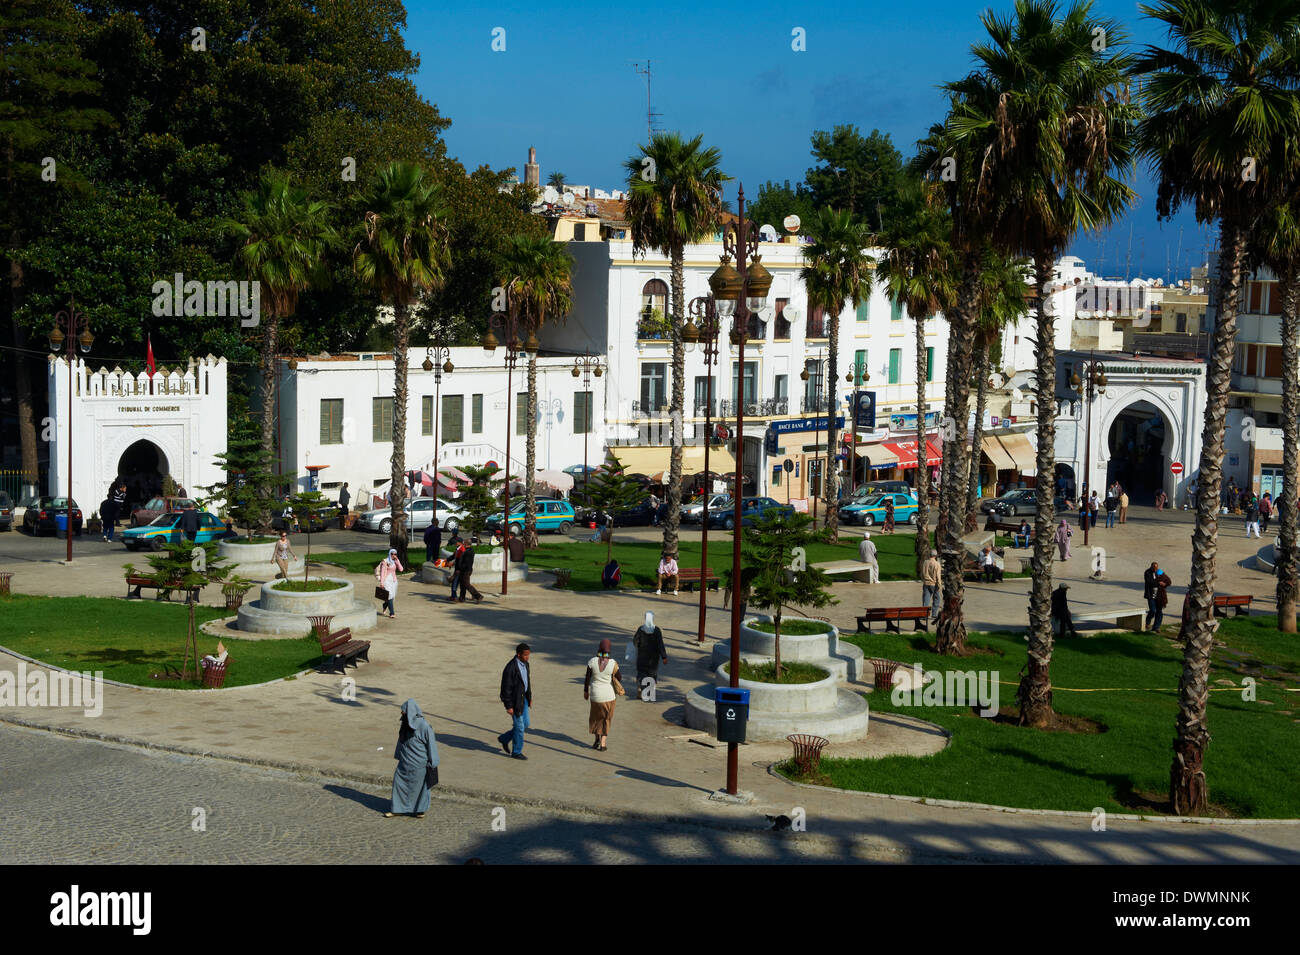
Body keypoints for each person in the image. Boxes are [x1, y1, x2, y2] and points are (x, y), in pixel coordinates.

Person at [385, 699, 439, 818]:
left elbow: (431, 746)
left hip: (419, 765)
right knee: (399, 784)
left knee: (420, 789)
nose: (402, 714)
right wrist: (398, 756)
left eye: (403, 712)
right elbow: (401, 742)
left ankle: (420, 810)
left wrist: (433, 762)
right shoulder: (405, 725)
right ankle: (397, 809)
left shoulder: (424, 727)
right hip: (404, 764)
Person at [584, 638, 621, 751]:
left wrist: (586, 692)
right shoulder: (613, 663)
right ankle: (603, 743)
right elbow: (620, 677)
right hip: (609, 696)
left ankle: (596, 739)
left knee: (596, 718)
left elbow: (587, 678)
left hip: (595, 695)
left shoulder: (592, 662)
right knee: (606, 719)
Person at [497, 643, 532, 759]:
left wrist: (529, 697)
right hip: (515, 702)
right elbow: (505, 689)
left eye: (528, 654)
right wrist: (508, 706)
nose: (527, 657)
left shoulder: (526, 665)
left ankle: (504, 738)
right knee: (520, 727)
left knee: (525, 724)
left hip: (524, 700)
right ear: (518, 654)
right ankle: (516, 752)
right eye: (525, 655)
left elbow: (527, 682)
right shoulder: (510, 668)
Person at [632, 611, 668, 700]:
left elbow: (635, 642)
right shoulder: (657, 630)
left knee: (641, 673)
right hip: (653, 659)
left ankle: (640, 688)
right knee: (652, 674)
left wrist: (639, 645)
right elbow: (660, 644)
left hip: (641, 657)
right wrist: (664, 657)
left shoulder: (641, 629)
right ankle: (650, 694)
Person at [1143, 561, 1172, 630]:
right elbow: (1149, 582)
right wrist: (1159, 583)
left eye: (1156, 568)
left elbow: (1168, 581)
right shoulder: (1147, 572)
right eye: (1154, 568)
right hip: (1151, 595)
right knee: (1153, 610)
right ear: (1151, 567)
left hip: (1159, 596)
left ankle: (1156, 627)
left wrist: (1165, 584)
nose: (1156, 569)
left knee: (1159, 611)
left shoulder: (1160, 572)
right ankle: (1147, 622)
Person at [375, 548, 402, 618]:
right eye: (392, 554)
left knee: (392, 597)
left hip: (394, 581)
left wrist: (397, 561)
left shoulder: (395, 561)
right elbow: (382, 573)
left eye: (395, 554)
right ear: (389, 554)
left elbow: (401, 569)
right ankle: (392, 613)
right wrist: (382, 583)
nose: (393, 555)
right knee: (389, 596)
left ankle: (385, 605)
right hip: (387, 581)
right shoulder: (385, 562)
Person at [454, 538, 483, 602]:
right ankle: (462, 598)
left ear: (466, 544)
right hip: (465, 570)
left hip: (466, 570)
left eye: (464, 543)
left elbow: (466, 563)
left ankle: (478, 596)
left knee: (467, 584)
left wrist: (460, 568)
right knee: (462, 584)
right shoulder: (469, 550)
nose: (463, 544)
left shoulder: (468, 552)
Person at [920, 552, 941, 619]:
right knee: (936, 599)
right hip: (933, 584)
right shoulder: (937, 564)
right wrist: (939, 584)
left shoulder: (925, 562)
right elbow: (938, 576)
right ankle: (934, 614)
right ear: (935, 556)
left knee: (926, 599)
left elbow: (922, 573)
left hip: (926, 583)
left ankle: (924, 614)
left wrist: (924, 580)